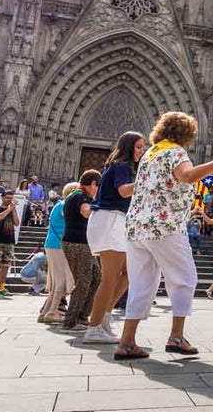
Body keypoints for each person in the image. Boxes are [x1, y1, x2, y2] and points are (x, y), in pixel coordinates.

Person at [117, 113, 213, 360]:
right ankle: (176, 336)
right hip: (164, 226)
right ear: (185, 133)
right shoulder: (175, 152)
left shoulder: (149, 154)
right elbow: (186, 176)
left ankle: (127, 341)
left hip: (137, 227)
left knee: (142, 284)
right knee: (185, 279)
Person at [83, 132, 144, 344]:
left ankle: (104, 318)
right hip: (110, 220)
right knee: (110, 277)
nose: (141, 151)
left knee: (129, 272)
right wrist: (147, 182)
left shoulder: (120, 166)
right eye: (138, 147)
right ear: (128, 148)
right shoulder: (121, 165)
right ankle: (93, 328)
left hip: (114, 221)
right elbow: (124, 191)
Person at [62, 171, 101, 331]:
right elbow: (85, 212)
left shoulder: (75, 196)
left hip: (82, 243)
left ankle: (83, 315)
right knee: (84, 281)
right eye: (97, 187)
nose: (97, 191)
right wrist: (100, 208)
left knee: (96, 278)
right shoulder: (81, 196)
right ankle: (71, 320)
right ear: (92, 184)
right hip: (77, 242)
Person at [40, 182, 77, 324]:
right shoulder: (65, 206)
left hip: (52, 243)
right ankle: (52, 311)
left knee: (56, 279)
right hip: (59, 244)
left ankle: (46, 311)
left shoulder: (59, 204)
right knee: (62, 278)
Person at [0, 190, 21, 298]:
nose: (9, 199)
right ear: (2, 198)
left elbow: (16, 223)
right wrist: (9, 209)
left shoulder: (12, 209)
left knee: (5, 265)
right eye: (7, 197)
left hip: (9, 240)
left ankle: (1, 287)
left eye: (11, 198)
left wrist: (13, 210)